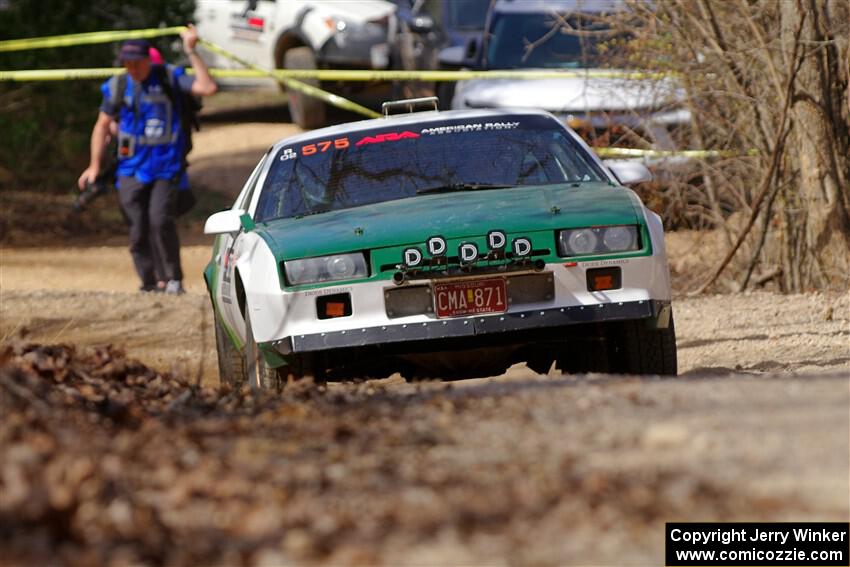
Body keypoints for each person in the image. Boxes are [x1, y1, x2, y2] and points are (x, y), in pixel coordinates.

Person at [78, 25, 217, 294]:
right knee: (137, 230)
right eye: (127, 64)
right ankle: (150, 283)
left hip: (167, 168)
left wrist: (191, 50)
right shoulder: (117, 86)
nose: (132, 68)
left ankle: (173, 279)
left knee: (160, 220)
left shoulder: (169, 77)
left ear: (147, 60)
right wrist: (95, 166)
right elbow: (101, 125)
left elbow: (207, 87)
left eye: (137, 63)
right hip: (129, 170)